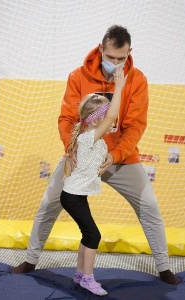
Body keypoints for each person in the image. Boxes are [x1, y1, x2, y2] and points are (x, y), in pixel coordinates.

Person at [10, 24, 181, 285]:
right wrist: (72, 148)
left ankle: (164, 267)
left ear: (129, 53)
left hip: (118, 157)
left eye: (121, 58)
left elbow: (135, 125)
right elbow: (67, 118)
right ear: (101, 49)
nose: (115, 63)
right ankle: (31, 260)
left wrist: (115, 155)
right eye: (110, 57)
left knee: (149, 206)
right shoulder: (78, 76)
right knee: (48, 204)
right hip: (82, 154)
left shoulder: (138, 80)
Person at [60, 68, 126, 296]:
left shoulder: (89, 138)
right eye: (106, 115)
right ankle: (88, 279)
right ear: (96, 119)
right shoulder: (89, 136)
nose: (110, 119)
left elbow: (99, 149)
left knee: (87, 234)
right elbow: (111, 116)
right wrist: (118, 87)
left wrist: (108, 156)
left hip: (75, 195)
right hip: (72, 197)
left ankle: (80, 274)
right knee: (93, 235)